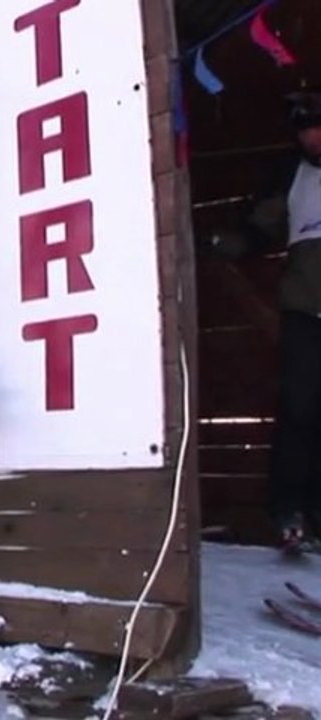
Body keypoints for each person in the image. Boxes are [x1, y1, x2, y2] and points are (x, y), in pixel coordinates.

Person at [209, 87, 321, 553]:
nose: (314, 138)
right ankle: (289, 513)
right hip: (305, 310)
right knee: (299, 410)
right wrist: (224, 244)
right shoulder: (292, 176)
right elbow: (259, 228)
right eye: (306, 131)